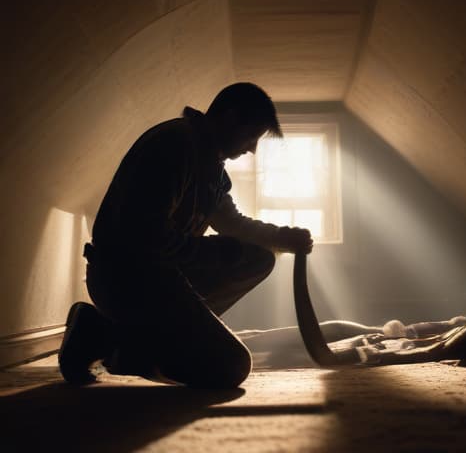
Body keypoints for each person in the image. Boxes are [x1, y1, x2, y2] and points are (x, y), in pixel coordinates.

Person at [58, 82, 313, 388]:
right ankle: (109, 342)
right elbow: (146, 237)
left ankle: (108, 333)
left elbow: (233, 224)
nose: (251, 149)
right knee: (230, 366)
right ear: (231, 118)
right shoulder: (174, 146)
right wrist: (216, 252)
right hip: (124, 280)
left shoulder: (212, 168)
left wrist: (283, 237)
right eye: (251, 137)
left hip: (163, 278)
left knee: (258, 259)